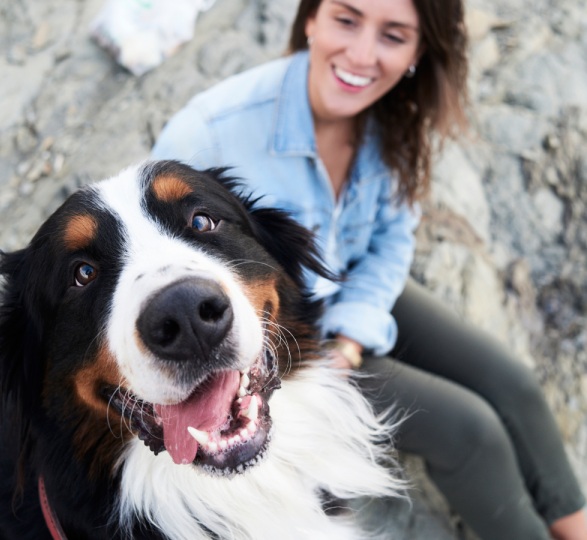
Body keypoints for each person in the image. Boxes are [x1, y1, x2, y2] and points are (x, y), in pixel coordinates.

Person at [149, 0, 587, 538]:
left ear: (418, 51)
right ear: (310, 19)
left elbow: (393, 237)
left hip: (352, 287)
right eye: (347, 19)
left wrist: (356, 331)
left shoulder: (394, 118)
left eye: (393, 34)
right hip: (274, 333)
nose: (361, 54)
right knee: (472, 433)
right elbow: (166, 266)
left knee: (514, 383)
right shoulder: (209, 134)